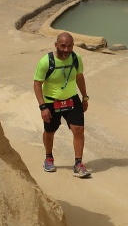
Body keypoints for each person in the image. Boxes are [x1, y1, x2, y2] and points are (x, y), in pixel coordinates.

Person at [33, 32, 91, 178]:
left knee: (79, 130)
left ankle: (78, 164)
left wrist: (84, 97)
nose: (66, 50)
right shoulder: (46, 62)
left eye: (70, 46)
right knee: (50, 131)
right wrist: (43, 107)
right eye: (63, 46)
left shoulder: (76, 58)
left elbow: (79, 77)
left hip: (72, 99)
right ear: (56, 45)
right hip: (51, 102)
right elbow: (37, 84)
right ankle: (48, 158)